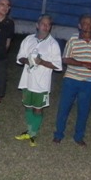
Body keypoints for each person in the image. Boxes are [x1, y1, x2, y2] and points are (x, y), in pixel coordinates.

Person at [53, 14, 91, 146]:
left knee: (84, 110)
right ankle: (58, 134)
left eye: (90, 23)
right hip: (71, 79)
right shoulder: (73, 39)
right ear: (79, 26)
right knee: (64, 108)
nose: (87, 26)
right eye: (84, 23)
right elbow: (65, 59)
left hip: (88, 81)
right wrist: (84, 64)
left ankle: (79, 136)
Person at [14, 14, 63, 147]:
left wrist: (41, 62)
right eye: (43, 24)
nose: (45, 27)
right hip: (27, 81)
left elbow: (58, 66)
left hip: (41, 84)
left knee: (38, 108)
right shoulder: (28, 39)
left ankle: (33, 133)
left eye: (48, 25)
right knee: (28, 106)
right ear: (37, 25)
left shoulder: (53, 44)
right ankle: (29, 131)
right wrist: (28, 60)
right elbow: (19, 58)